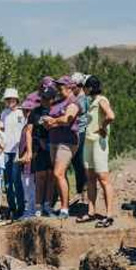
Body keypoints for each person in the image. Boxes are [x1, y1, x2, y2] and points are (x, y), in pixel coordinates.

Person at [76, 75, 116, 228]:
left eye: (84, 87)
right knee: (90, 177)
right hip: (88, 142)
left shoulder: (101, 100)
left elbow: (111, 115)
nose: (83, 89)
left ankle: (109, 214)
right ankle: (91, 211)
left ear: (90, 88)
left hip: (99, 143)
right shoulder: (90, 101)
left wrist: (103, 127)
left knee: (103, 178)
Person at [43, 76, 81, 220]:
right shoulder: (58, 102)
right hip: (54, 139)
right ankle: (61, 205)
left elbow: (68, 119)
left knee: (58, 173)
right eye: (58, 86)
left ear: (69, 87)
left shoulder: (73, 102)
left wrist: (53, 121)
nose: (59, 88)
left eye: (61, 86)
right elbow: (56, 120)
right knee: (59, 174)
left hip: (68, 141)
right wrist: (49, 123)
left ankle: (65, 208)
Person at [23, 80, 56, 217]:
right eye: (42, 97)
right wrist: (30, 150)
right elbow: (29, 132)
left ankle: (48, 205)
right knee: (40, 176)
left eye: (47, 98)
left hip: (54, 146)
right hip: (39, 147)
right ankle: (38, 207)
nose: (44, 100)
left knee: (51, 176)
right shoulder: (35, 112)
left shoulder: (56, 110)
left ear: (52, 99)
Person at [0, 88, 26, 220]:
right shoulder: (4, 113)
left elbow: (25, 132)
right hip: (6, 150)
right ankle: (12, 207)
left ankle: (21, 208)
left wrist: (23, 150)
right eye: (7, 99)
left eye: (12, 99)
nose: (10, 101)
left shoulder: (21, 113)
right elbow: (2, 130)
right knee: (7, 182)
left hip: (17, 150)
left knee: (17, 181)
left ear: (16, 99)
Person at [18, 94, 40, 219]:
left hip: (31, 163)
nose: (26, 113)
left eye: (28, 110)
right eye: (24, 110)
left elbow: (35, 144)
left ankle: (31, 211)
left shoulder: (33, 127)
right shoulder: (25, 125)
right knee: (26, 186)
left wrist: (29, 155)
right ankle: (28, 210)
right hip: (24, 163)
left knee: (30, 186)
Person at [70, 72, 90, 205]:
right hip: (77, 132)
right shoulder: (77, 98)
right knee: (77, 162)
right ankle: (79, 191)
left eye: (73, 86)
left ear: (79, 86)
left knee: (82, 162)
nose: (72, 89)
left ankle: (85, 192)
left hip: (83, 132)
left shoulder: (83, 99)